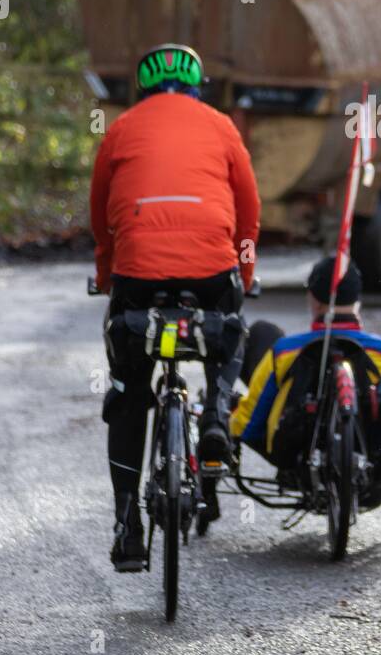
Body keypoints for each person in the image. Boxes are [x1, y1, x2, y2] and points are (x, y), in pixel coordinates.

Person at [90, 43, 260, 571]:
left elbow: (100, 219)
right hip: (211, 271)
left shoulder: (120, 129)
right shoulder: (222, 126)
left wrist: (105, 275)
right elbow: (249, 214)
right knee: (228, 333)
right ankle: (213, 416)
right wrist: (244, 275)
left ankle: (127, 527)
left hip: (137, 276)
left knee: (128, 392)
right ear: (196, 84)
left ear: (142, 87)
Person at [231, 256, 381, 463]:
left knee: (262, 332)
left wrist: (226, 420)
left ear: (313, 298)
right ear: (357, 299)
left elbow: (251, 422)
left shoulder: (284, 352)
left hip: (295, 458)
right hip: (376, 460)